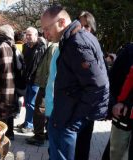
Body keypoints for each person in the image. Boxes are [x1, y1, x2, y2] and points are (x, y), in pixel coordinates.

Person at [41, 6, 109, 160]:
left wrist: (75, 122)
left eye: (47, 29)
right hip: (64, 116)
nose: (45, 34)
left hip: (67, 119)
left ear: (62, 22)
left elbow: (98, 85)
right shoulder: (74, 39)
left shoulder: (77, 42)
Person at [26, 35, 58, 146]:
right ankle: (46, 134)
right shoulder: (53, 45)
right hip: (47, 84)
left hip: (46, 85)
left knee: (39, 109)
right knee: (45, 109)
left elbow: (51, 67)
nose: (45, 33)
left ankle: (39, 137)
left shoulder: (54, 46)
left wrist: (46, 82)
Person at [75, 10, 98, 160]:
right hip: (73, 103)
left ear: (92, 27)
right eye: (80, 26)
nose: (83, 29)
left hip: (88, 105)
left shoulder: (95, 47)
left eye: (86, 26)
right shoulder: (72, 45)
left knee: (83, 144)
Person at [17, 27, 47, 133]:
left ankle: (30, 125)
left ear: (36, 35)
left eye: (30, 35)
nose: (28, 37)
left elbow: (41, 66)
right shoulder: (25, 46)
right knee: (27, 102)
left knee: (32, 103)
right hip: (27, 79)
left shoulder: (41, 48)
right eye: (27, 34)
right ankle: (26, 122)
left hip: (36, 80)